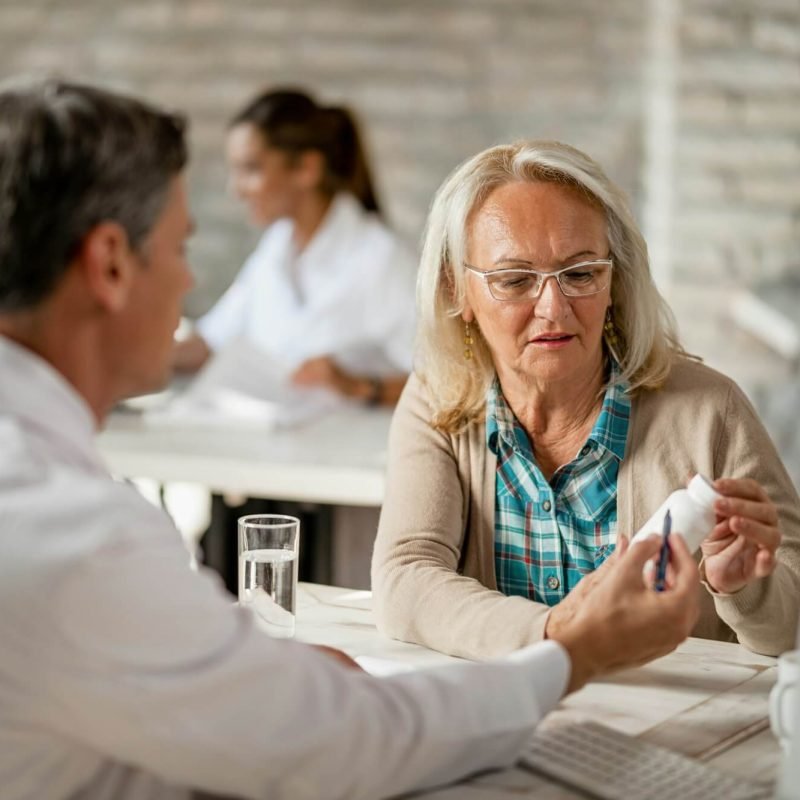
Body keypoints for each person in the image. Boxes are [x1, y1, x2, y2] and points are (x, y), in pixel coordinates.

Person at [0, 79, 702, 800]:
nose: (187, 281)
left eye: (580, 273)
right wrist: (577, 649)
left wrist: (260, 683)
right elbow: (355, 743)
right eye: (180, 247)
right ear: (111, 264)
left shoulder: (52, 504)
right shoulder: (78, 537)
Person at [371, 139, 800, 661]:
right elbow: (407, 580)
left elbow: (789, 626)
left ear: (613, 279)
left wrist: (744, 589)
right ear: (456, 290)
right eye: (514, 280)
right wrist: (563, 631)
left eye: (579, 274)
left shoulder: (712, 411)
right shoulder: (437, 400)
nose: (553, 308)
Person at [174, 88, 415, 407]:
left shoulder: (381, 258)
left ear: (307, 168)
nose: (236, 190)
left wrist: (359, 386)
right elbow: (212, 341)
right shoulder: (276, 248)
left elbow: (454, 381)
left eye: (251, 169)